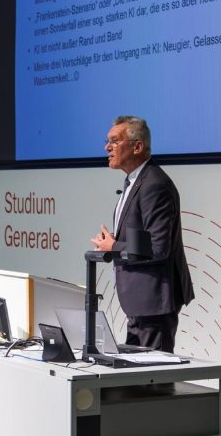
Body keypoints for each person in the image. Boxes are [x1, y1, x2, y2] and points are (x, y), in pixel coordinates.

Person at [91, 116, 194, 353]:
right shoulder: (135, 182)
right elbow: (141, 238)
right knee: (136, 373)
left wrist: (114, 247)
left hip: (154, 303)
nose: (107, 148)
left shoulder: (154, 185)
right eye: (107, 141)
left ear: (137, 146)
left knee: (152, 374)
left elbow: (158, 247)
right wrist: (113, 243)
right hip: (140, 305)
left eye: (114, 141)